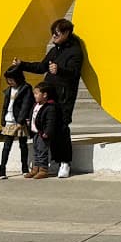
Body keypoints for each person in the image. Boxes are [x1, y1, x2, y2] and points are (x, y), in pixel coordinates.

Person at [14, 18, 84, 177]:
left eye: (57, 33)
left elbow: (74, 73)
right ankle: (44, 164)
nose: (53, 36)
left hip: (64, 97)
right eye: (52, 33)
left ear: (66, 33)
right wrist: (22, 64)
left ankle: (65, 162)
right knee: (44, 126)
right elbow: (41, 67)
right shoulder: (54, 51)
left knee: (62, 128)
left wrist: (59, 70)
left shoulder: (75, 52)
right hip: (49, 96)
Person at [27, 82, 69, 180]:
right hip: (35, 132)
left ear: (44, 95)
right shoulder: (36, 105)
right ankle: (35, 168)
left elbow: (50, 121)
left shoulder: (50, 107)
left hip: (42, 133)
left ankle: (43, 170)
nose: (34, 96)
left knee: (42, 151)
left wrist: (47, 132)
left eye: (36, 93)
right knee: (36, 151)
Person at [0, 67, 34, 179]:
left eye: (11, 80)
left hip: (19, 121)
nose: (10, 82)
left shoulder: (26, 88)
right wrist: (3, 119)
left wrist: (20, 121)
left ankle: (24, 168)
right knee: (6, 146)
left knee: (23, 145)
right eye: (8, 80)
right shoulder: (9, 90)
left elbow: (26, 105)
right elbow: (5, 106)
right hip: (9, 120)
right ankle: (2, 169)